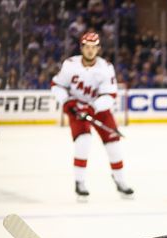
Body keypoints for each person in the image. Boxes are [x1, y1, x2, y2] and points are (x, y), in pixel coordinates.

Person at [51, 31, 134, 200]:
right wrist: (67, 103)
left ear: (99, 48)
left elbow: (110, 95)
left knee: (114, 146)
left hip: (99, 110)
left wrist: (93, 108)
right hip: (77, 108)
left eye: (93, 47)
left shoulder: (105, 68)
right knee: (83, 142)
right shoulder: (70, 64)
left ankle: (120, 180)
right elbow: (57, 85)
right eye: (87, 47)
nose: (90, 51)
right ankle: (80, 182)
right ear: (81, 47)